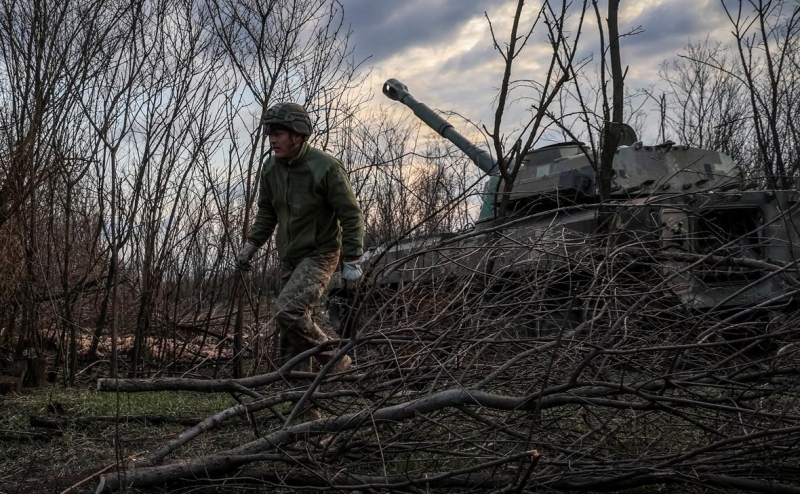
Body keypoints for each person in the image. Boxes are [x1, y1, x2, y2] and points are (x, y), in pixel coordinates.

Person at [237, 102, 364, 373]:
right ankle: (303, 407)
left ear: (297, 134)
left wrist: (352, 260)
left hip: (321, 253)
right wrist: (252, 244)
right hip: (290, 257)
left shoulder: (326, 167)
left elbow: (351, 215)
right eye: (270, 133)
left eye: (279, 133)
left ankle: (340, 364)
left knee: (288, 311)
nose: (272, 139)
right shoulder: (271, 169)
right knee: (290, 336)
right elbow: (267, 212)